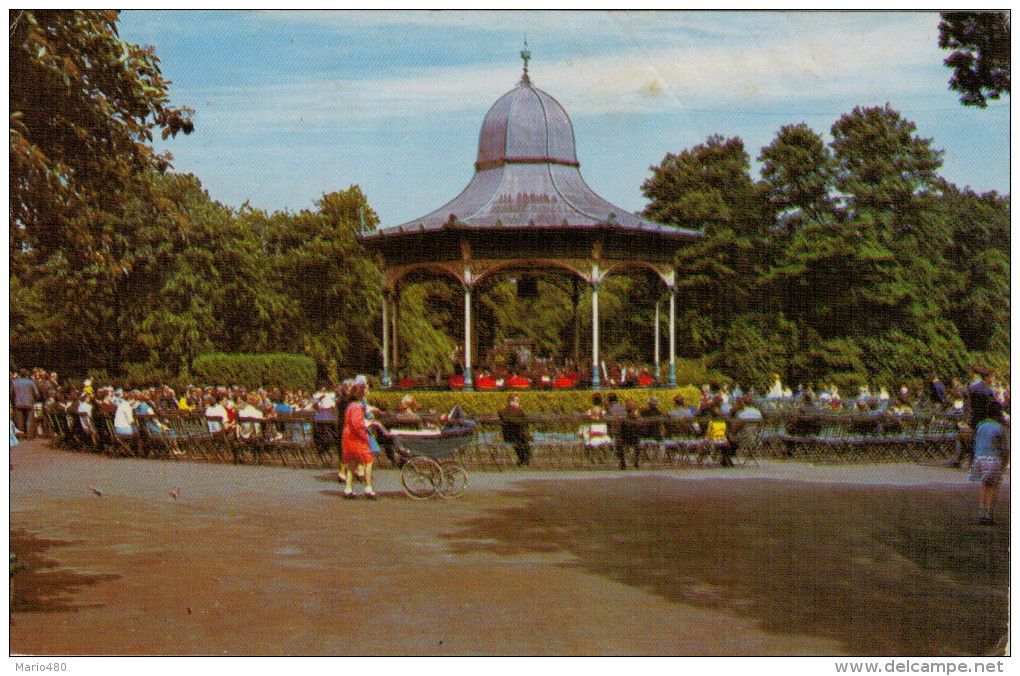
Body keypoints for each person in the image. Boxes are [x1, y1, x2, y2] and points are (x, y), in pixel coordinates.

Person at [968, 400, 1009, 525]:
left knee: (984, 485)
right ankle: (989, 514)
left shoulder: (980, 426)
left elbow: (975, 443)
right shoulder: (999, 428)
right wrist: (1005, 462)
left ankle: (981, 512)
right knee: (994, 486)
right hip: (993, 458)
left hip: (980, 458)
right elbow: (1003, 448)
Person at [341, 375, 379, 498]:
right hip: (357, 438)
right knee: (369, 461)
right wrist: (365, 428)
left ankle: (348, 489)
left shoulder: (350, 406)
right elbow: (357, 424)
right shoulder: (357, 407)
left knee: (352, 464)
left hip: (348, 437)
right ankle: (368, 488)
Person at [498, 394, 532, 467]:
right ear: (510, 402)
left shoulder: (520, 411)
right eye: (516, 401)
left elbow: (525, 422)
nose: (517, 403)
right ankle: (523, 459)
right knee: (521, 440)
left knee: (523, 441)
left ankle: (523, 459)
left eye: (518, 401)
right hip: (510, 434)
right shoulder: (503, 411)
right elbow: (508, 421)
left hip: (520, 435)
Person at [10, 369, 40, 439]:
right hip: (29, 402)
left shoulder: (14, 382)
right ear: (26, 374)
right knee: (30, 420)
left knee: (19, 420)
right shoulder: (31, 382)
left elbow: (11, 393)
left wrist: (13, 400)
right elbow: (37, 394)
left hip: (18, 402)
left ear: (19, 374)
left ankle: (20, 435)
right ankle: (29, 435)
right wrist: (34, 399)